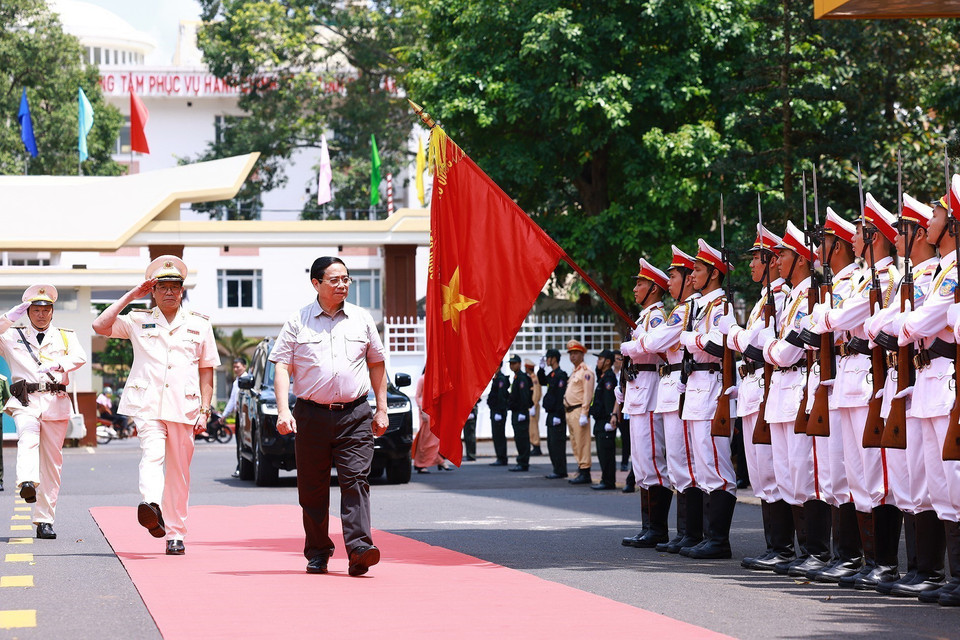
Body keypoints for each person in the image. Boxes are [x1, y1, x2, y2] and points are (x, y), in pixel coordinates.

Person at [268, 256, 388, 577]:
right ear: (316, 284)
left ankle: (360, 549)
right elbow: (281, 365)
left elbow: (376, 363)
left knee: (356, 482)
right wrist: (283, 409)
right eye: (334, 279)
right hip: (311, 416)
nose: (342, 285)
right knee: (313, 489)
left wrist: (382, 408)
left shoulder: (362, 319)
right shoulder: (298, 321)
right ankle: (318, 551)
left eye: (346, 279)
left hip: (356, 415)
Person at [92, 255, 219, 556]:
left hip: (184, 407)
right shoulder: (138, 320)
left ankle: (175, 533)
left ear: (182, 291)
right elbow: (100, 325)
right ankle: (151, 504)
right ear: (153, 291)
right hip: (147, 403)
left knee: (179, 473)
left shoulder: (199, 325)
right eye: (162, 287)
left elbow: (207, 369)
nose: (169, 292)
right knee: (151, 455)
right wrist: (130, 295)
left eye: (175, 286)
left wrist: (205, 408)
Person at [718, 225, 791, 570]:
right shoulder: (764, 299)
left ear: (774, 262)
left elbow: (754, 345)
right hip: (752, 389)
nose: (750, 265)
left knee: (773, 470)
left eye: (757, 259)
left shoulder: (779, 298)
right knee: (761, 472)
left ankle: (783, 547)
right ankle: (773, 545)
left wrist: (731, 330)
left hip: (767, 385)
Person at [0, 285, 86, 539]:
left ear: (52, 312)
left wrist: (61, 363)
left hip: (54, 400)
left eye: (45, 309)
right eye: (35, 310)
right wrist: (8, 317)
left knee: (52, 463)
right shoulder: (11, 335)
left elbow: (79, 357)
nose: (41, 314)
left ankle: (44, 520)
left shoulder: (66, 336)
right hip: (25, 400)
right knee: (27, 436)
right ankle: (27, 482)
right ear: (28, 313)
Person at [638, 245, 703, 554]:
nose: (670, 283)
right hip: (671, 386)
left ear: (689, 279)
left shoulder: (686, 310)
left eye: (674, 276)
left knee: (686, 463)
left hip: (682, 385)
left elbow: (654, 341)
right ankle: (683, 532)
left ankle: (691, 532)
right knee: (677, 462)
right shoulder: (681, 310)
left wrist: (634, 344)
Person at [677, 239, 738, 560]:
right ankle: (707, 536)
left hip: (712, 387)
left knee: (715, 462)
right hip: (696, 387)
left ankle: (719, 540)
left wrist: (691, 339)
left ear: (714, 273)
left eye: (698, 270)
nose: (692, 276)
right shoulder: (701, 305)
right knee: (702, 464)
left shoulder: (721, 307)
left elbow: (720, 345)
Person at [618, 258, 670, 547]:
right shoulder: (643, 319)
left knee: (652, 461)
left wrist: (630, 345)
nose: (635, 288)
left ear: (653, 288)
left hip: (649, 391)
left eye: (640, 283)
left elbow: (652, 347)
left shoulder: (657, 318)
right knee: (640, 463)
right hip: (637, 390)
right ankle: (647, 525)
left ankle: (657, 529)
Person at [563, 339, 594, 485]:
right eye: (571, 353)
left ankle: (585, 471)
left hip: (578, 411)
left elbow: (587, 394)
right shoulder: (575, 372)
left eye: (575, 353)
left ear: (582, 354)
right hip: (570, 411)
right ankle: (581, 468)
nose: (572, 356)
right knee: (575, 442)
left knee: (582, 443)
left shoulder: (586, 372)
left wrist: (584, 413)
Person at [590, 350, 618, 490]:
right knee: (602, 453)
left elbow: (610, 400)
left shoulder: (609, 378)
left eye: (600, 359)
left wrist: (611, 417)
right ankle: (605, 479)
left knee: (606, 454)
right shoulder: (603, 376)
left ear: (607, 361)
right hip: (600, 421)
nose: (597, 362)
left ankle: (608, 481)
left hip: (606, 421)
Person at [538, 349, 568, 478]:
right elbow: (542, 381)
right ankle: (556, 469)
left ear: (554, 358)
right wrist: (541, 369)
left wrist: (558, 415)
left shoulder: (561, 375)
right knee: (551, 444)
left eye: (548, 358)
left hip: (557, 416)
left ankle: (560, 470)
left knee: (558, 445)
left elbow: (560, 397)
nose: (547, 360)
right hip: (551, 415)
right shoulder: (552, 375)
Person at [507, 354, 533, 472]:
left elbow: (524, 396)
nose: (512, 365)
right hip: (516, 412)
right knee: (519, 438)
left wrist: (523, 411)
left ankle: (523, 462)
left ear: (519, 364)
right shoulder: (516, 377)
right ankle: (521, 461)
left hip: (520, 413)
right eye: (511, 363)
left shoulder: (522, 378)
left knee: (522, 438)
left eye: (514, 363)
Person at [224, 357, 247, 477]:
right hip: (239, 415)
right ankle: (240, 466)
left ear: (244, 366)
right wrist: (224, 415)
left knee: (245, 442)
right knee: (239, 442)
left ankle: (243, 467)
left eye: (238, 366)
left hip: (246, 415)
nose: (236, 369)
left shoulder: (249, 380)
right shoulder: (236, 382)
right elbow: (232, 401)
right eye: (234, 367)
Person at [611, 351, 630, 472]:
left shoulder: (625, 373)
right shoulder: (611, 375)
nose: (616, 361)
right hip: (614, 411)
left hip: (623, 410)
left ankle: (624, 462)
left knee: (626, 439)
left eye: (618, 359)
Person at [487, 365, 510, 466]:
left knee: (499, 435)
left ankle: (502, 457)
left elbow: (501, 397)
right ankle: (499, 457)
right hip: (495, 411)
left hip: (498, 412)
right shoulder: (496, 378)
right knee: (496, 435)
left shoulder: (501, 379)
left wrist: (499, 412)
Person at [525, 359, 543, 456]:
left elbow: (536, 393)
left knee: (533, 427)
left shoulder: (534, 379)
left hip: (533, 407)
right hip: (531, 406)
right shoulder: (531, 378)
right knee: (531, 427)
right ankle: (534, 445)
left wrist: (534, 405)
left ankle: (536, 446)